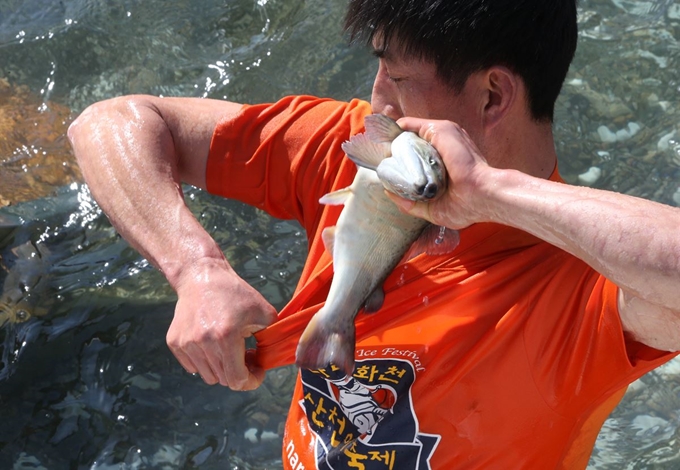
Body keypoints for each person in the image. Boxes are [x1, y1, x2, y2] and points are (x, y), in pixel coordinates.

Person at [67, 0, 680, 468]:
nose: (376, 97)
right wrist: (195, 269)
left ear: (493, 94)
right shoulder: (361, 153)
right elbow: (111, 123)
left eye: (397, 75)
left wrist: (492, 192)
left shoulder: (585, 286)